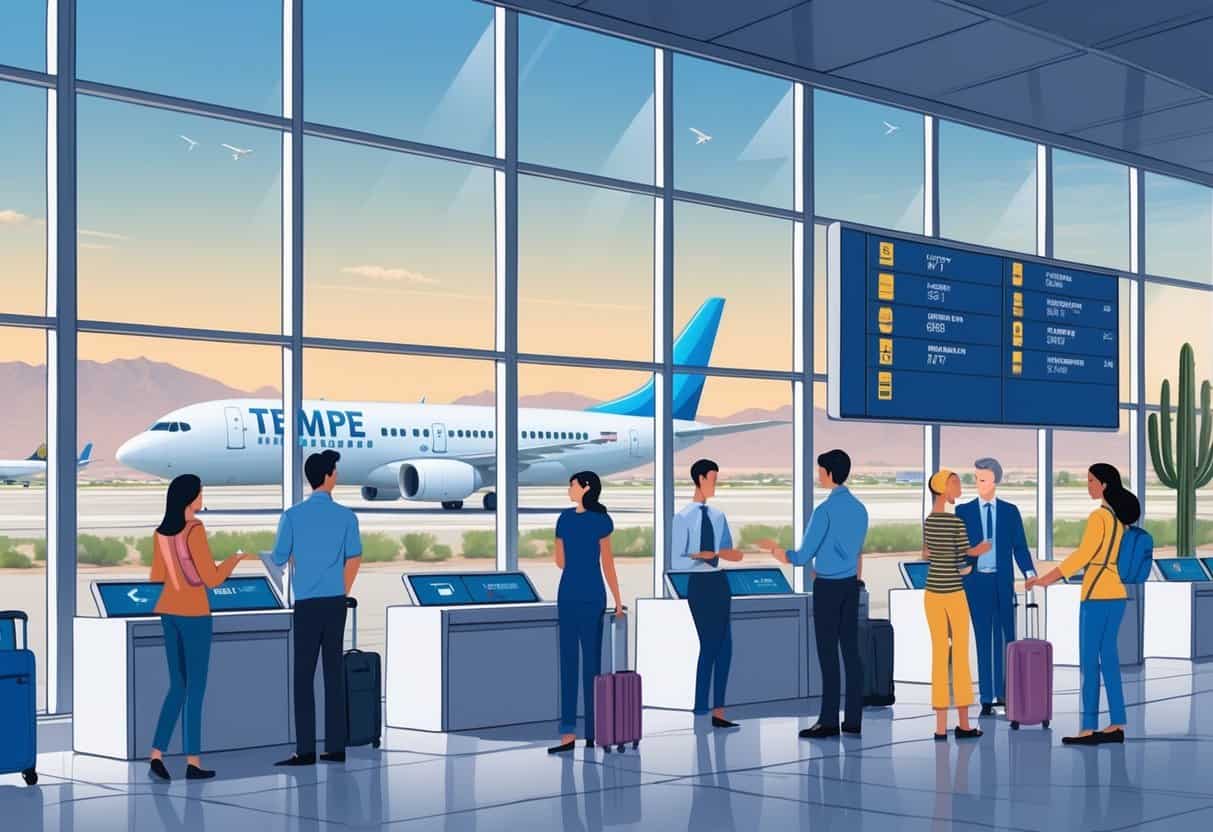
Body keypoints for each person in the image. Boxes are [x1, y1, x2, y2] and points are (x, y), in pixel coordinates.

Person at [758, 449, 869, 739]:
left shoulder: (824, 511)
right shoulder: (860, 509)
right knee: (851, 652)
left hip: (828, 589)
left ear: (830, 473)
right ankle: (853, 720)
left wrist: (774, 549)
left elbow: (801, 556)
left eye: (820, 471)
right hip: (850, 586)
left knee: (828, 654)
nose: (819, 476)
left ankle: (828, 720)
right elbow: (853, 551)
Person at [1026, 463, 1137, 746]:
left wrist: (1047, 579)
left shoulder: (1099, 517)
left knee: (1089, 662)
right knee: (1109, 660)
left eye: (1091, 481)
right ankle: (1117, 724)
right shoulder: (1120, 522)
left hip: (1097, 595)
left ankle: (1088, 728)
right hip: (1117, 594)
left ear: (1104, 485)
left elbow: (1083, 555)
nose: (1088, 486)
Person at [147, 474, 246, 781]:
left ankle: (156, 755)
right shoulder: (195, 529)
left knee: (176, 686)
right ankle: (193, 762)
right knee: (196, 689)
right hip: (194, 613)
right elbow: (212, 579)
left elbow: (156, 576)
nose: (203, 497)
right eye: (201, 493)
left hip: (168, 611)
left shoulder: (160, 533)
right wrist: (234, 560)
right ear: (190, 497)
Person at [271, 450, 363, 767]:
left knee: (303, 677)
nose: (336, 474)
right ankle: (336, 747)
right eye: (334, 470)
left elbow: (279, 557)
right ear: (327, 476)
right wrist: (341, 590)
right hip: (335, 603)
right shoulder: (347, 517)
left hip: (307, 605)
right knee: (333, 674)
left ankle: (305, 750)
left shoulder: (292, 516)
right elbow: (354, 559)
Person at [548, 471, 625, 755]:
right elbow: (608, 563)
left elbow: (560, 562)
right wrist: (618, 600)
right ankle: (594, 733)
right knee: (592, 665)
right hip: (593, 594)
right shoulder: (602, 521)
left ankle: (568, 734)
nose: (569, 489)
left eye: (572, 485)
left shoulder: (564, 520)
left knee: (568, 664)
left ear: (586, 488)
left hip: (568, 593)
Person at [956, 457, 1037, 716]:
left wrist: (1029, 572)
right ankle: (987, 696)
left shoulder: (1010, 512)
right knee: (983, 638)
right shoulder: (963, 511)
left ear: (995, 481)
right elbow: (958, 548)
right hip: (976, 583)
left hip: (1002, 582)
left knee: (1007, 637)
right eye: (976, 478)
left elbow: (1020, 546)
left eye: (983, 479)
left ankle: (1006, 692)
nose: (978, 483)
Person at [671, 459, 745, 729]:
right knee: (710, 645)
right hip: (699, 584)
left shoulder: (718, 516)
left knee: (725, 648)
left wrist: (718, 554)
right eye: (713, 479)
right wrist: (700, 556)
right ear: (700, 479)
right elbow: (676, 561)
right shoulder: (682, 518)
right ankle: (701, 705)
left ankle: (719, 710)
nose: (715, 485)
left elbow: (729, 551)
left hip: (719, 583)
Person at [923, 470, 990, 741]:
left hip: (932, 593)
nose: (959, 488)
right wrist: (982, 548)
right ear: (943, 488)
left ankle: (940, 728)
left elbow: (927, 554)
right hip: (953, 593)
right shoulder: (955, 522)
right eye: (955, 483)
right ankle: (964, 724)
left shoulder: (929, 521)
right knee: (960, 656)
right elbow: (966, 554)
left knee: (939, 656)